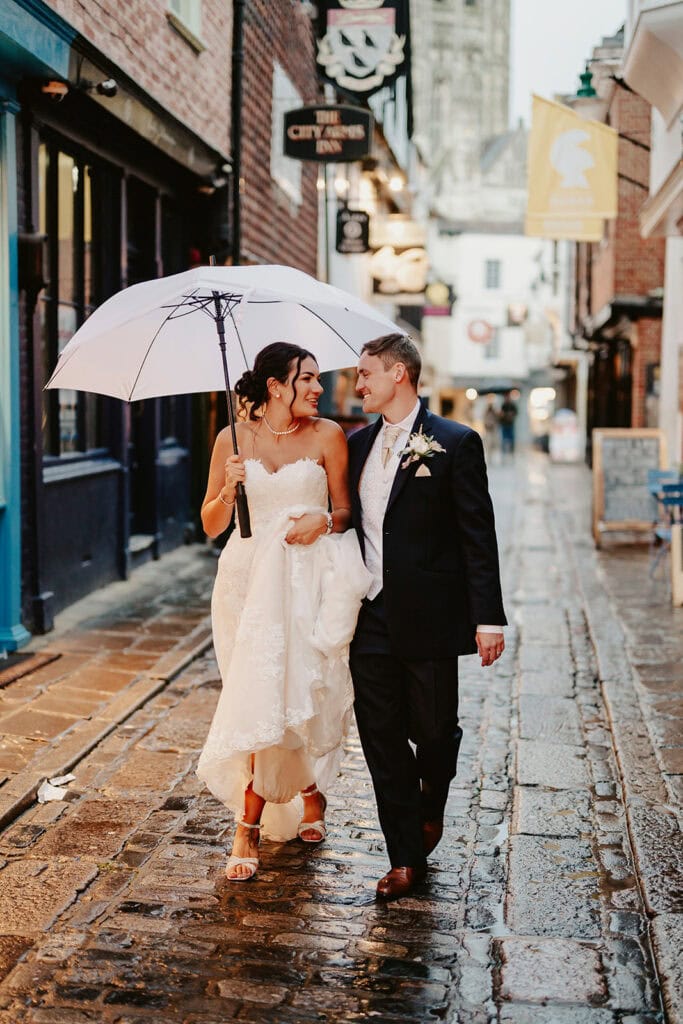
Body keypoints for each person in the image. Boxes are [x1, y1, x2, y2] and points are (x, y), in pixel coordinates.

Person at [197, 342, 371, 881]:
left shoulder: (328, 436)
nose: (320, 389)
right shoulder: (232, 437)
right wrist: (229, 487)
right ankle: (303, 797)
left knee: (295, 694)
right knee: (257, 699)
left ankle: (248, 826)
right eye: (309, 379)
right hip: (244, 585)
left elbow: (345, 510)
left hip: (304, 584)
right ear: (276, 386)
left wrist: (324, 521)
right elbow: (209, 525)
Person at [348, 334, 507, 900]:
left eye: (366, 374)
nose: (357, 384)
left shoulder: (454, 442)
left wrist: (488, 617)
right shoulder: (356, 444)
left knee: (435, 733)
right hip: (370, 613)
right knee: (381, 736)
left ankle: (431, 798)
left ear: (398, 374)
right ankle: (405, 858)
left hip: (432, 617)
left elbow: (476, 535)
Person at [483, 395, 500, 461]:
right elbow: (485, 419)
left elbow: (497, 420)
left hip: (493, 429)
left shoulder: (495, 411)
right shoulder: (486, 411)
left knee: (493, 443)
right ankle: (489, 456)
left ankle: (492, 456)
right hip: (488, 429)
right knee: (488, 443)